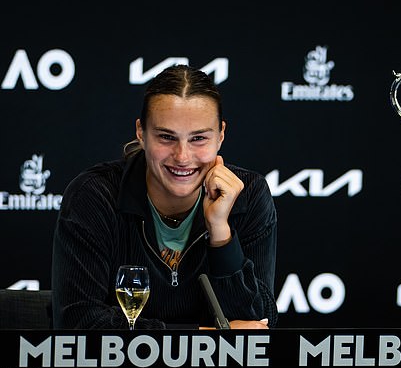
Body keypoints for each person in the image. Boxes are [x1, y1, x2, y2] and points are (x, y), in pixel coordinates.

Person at [51, 64, 278, 330]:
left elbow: (256, 324)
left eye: (199, 139)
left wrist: (220, 232)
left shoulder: (249, 195)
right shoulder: (94, 196)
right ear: (141, 133)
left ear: (221, 135)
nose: (182, 156)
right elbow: (78, 323)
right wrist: (198, 340)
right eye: (166, 137)